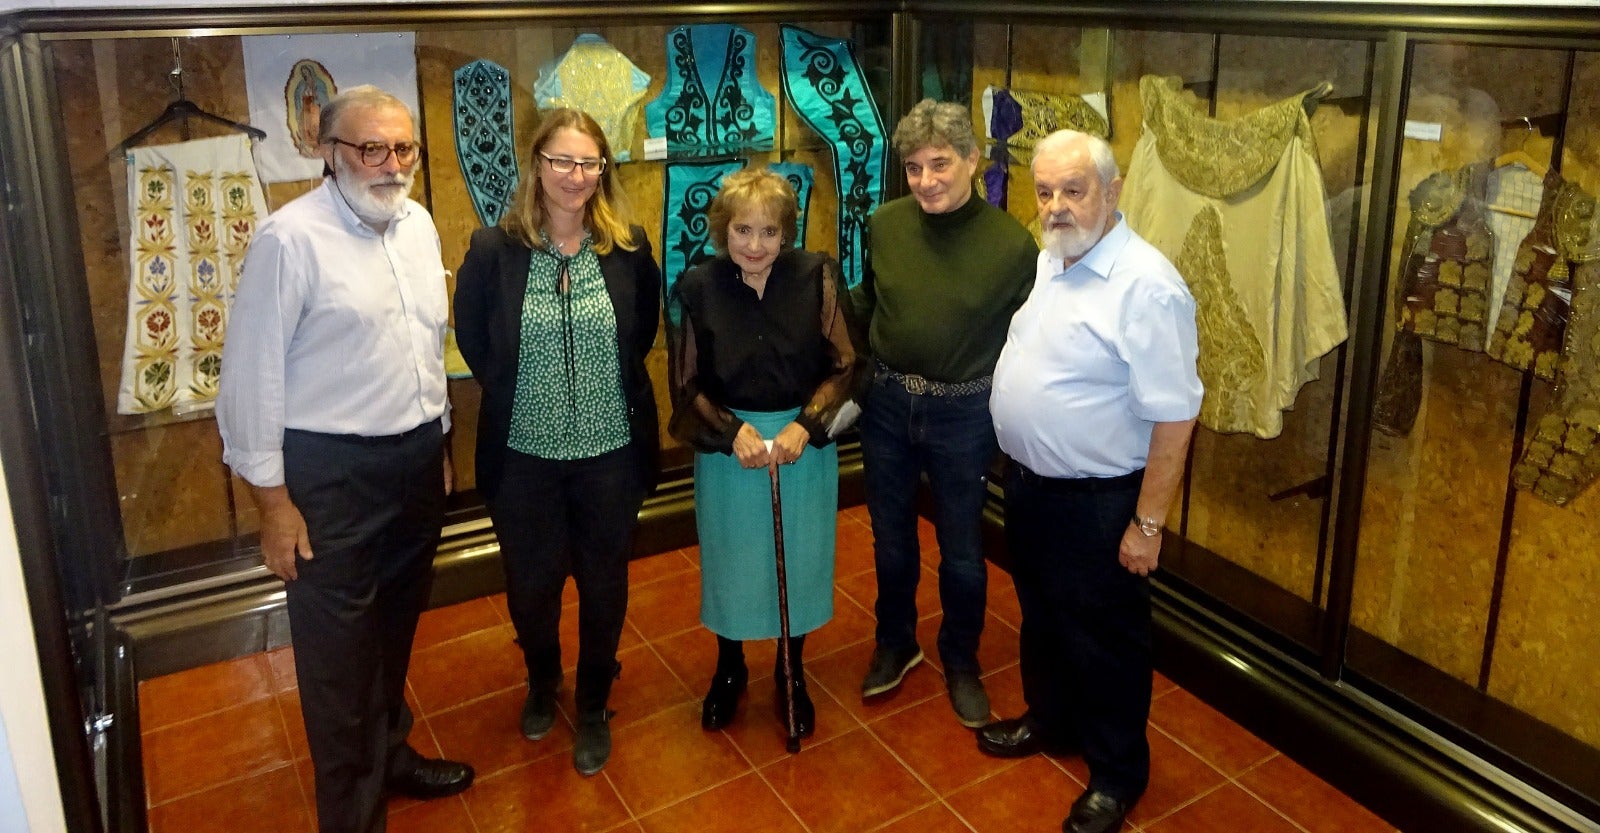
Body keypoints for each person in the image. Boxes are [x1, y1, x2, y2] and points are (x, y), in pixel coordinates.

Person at [217, 85, 473, 833]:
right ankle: (353, 814)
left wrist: (440, 440)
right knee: (337, 661)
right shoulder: (288, 240)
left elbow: (425, 344)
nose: (390, 163)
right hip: (330, 478)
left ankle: (389, 754)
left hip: (415, 462)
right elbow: (251, 378)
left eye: (403, 149)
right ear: (329, 153)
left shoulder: (418, 224)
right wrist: (273, 503)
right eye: (370, 148)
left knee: (392, 631)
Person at [978, 129, 1202, 833]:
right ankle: (1053, 722)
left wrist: (1147, 525)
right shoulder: (1056, 259)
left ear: (1112, 192)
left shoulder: (1148, 286)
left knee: (1107, 641)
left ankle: (1115, 774)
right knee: (1044, 620)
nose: (1055, 206)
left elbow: (1176, 416)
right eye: (1044, 191)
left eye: (1073, 191)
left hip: (1101, 502)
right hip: (1034, 488)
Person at [453, 108, 661, 777]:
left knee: (605, 585)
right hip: (525, 458)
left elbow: (641, 335)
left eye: (589, 163)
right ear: (536, 164)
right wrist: (532, 397)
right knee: (531, 589)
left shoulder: (628, 247)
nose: (576, 176)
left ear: (604, 170)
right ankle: (543, 679)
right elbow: (477, 341)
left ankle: (595, 700)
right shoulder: (493, 250)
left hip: (609, 453)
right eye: (562, 161)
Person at [853, 99, 1038, 726]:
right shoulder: (884, 224)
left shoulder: (1013, 246)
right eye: (913, 168)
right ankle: (895, 642)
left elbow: (1031, 340)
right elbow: (865, 302)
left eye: (940, 164)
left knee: (962, 547)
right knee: (890, 537)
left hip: (965, 414)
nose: (926, 180)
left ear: (971, 160)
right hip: (886, 407)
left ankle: (961, 658)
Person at [665, 168, 866, 738]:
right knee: (732, 560)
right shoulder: (697, 288)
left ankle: (790, 670)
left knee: (798, 562)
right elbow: (685, 386)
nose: (755, 246)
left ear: (787, 233)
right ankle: (730, 668)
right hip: (729, 446)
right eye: (742, 231)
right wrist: (731, 433)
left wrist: (808, 423)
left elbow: (848, 364)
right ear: (722, 229)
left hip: (802, 443)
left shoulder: (816, 276)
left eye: (769, 232)